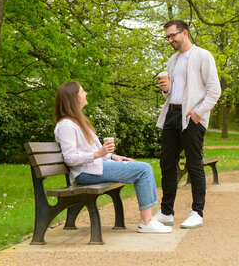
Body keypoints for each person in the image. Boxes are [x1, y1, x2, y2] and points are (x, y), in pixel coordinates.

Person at [53, 81, 172, 233]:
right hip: (85, 174)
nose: (86, 94)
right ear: (73, 98)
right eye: (82, 92)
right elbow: (70, 158)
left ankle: (148, 220)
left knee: (141, 167)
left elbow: (95, 151)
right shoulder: (66, 125)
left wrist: (114, 156)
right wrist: (98, 154)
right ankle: (146, 222)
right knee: (143, 169)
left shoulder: (79, 122)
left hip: (93, 168)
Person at [156, 19, 221, 229]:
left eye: (172, 35)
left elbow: (214, 91)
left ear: (184, 33)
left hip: (191, 117)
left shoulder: (203, 56)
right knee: (167, 164)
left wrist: (197, 113)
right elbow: (171, 94)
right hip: (172, 115)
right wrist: (165, 90)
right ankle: (166, 212)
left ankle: (197, 212)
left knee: (194, 165)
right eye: (167, 37)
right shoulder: (171, 61)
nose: (170, 40)